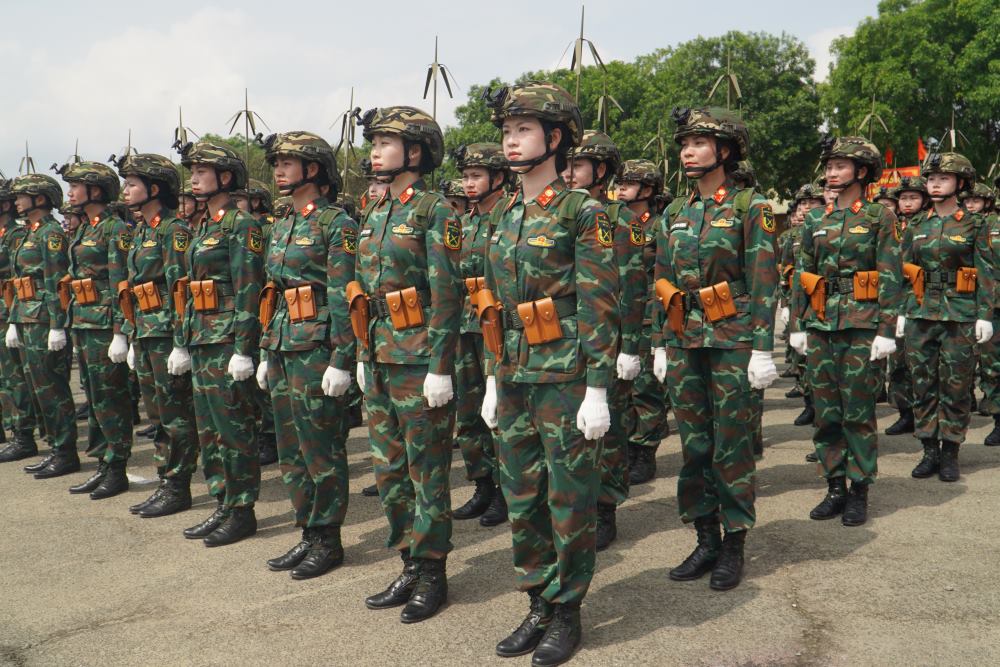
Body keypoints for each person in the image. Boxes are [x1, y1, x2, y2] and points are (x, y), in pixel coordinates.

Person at [479, 81, 618, 665]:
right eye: (508, 132)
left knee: (568, 496)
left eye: (524, 131)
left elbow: (600, 302)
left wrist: (597, 386)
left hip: (564, 373)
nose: (512, 142)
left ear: (555, 138)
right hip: (512, 371)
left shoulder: (582, 211)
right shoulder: (505, 212)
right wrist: (491, 377)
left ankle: (567, 610)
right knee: (522, 493)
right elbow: (492, 302)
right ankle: (537, 597)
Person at [653, 107, 778, 590]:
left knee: (732, 444)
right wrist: (663, 343)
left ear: (724, 151)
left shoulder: (751, 206)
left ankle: (734, 542)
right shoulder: (674, 213)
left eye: (700, 143)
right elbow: (661, 279)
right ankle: (704, 536)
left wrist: (763, 347)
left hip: (732, 339)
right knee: (694, 445)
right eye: (684, 143)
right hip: (685, 340)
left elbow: (764, 278)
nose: (688, 151)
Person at [353, 106, 461, 623]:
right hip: (378, 355)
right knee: (389, 470)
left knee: (426, 470)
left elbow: (446, 293)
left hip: (419, 359)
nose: (375, 150)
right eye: (373, 142)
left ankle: (433, 571)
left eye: (386, 142)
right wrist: (359, 353)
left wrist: (442, 364)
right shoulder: (375, 210)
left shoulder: (435, 211)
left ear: (414, 152)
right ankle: (408, 562)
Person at [254, 132, 357, 579]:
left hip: (316, 346)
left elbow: (344, 294)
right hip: (281, 342)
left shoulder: (337, 224)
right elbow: (273, 291)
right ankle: (307, 531)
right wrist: (264, 348)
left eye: (288, 163)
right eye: (276, 163)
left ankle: (328, 537)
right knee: (291, 447)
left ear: (312, 170)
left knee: (321, 447)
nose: (278, 170)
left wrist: (342, 357)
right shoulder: (282, 224)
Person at [790, 136, 901, 526]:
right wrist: (797, 324)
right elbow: (804, 273)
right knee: (826, 412)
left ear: (862, 171)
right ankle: (834, 486)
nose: (831, 173)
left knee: (857, 410)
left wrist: (888, 328)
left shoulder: (878, 217)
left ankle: (859, 489)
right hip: (821, 324)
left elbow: (890, 273)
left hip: (861, 325)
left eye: (839, 166)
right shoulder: (816, 219)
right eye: (829, 166)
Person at [175, 140, 264, 546]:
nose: (193, 179)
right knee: (209, 429)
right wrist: (184, 340)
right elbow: (192, 290)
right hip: (203, 339)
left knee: (234, 428)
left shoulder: (240, 226)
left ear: (224, 178)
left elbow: (249, 289)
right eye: (191, 172)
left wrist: (245, 349)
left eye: (201, 172)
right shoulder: (205, 226)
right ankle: (223, 502)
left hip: (227, 339)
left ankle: (242, 509)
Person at [565, 130, 644, 551]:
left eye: (577, 165)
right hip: (565, 340)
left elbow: (630, 289)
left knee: (609, 433)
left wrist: (629, 346)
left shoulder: (621, 220)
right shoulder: (561, 212)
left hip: (608, 339)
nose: (568, 172)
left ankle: (607, 507)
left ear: (600, 171)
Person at [898, 152, 994, 481]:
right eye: (932, 179)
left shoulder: (975, 223)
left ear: (960, 183)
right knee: (922, 382)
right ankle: (929, 450)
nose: (935, 184)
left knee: (956, 384)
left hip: (960, 313)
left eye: (943, 179)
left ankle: (951, 450)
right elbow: (905, 269)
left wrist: (985, 314)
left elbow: (985, 271)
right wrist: (900, 310)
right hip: (920, 312)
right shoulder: (916, 224)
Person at [116, 153, 200, 517]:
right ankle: (165, 478)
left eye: (132, 184)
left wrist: (181, 342)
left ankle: (179, 484)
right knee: (157, 416)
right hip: (147, 333)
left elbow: (181, 291)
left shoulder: (173, 231)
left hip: (167, 334)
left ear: (153, 189)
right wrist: (131, 335)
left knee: (176, 415)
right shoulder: (143, 231)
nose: (126, 190)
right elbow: (134, 289)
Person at [55, 161, 134, 499]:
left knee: (110, 397)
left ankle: (117, 466)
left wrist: (120, 330)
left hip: (104, 323)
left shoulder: (114, 229)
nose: (70, 192)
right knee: (94, 395)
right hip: (85, 320)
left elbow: (120, 282)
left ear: (96, 191)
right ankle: (103, 461)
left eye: (75, 186)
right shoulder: (87, 228)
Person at [450, 142, 509, 527]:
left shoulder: (509, 216)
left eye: (477, 176)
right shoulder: (465, 221)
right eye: (466, 177)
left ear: (498, 178)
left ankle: (507, 490)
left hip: (496, 322)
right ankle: (483, 483)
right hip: (464, 322)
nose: (469, 184)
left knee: (499, 413)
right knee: (469, 412)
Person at [5, 173, 79, 478]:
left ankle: (65, 451)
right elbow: (16, 280)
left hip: (44, 319)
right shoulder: (27, 233)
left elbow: (55, 281)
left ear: (40, 199)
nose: (17, 201)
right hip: (25, 315)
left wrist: (57, 325)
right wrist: (13, 320)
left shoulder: (51, 233)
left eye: (23, 195)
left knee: (53, 388)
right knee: (37, 388)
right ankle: (54, 447)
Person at [616, 159, 670, 484]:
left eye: (628, 183)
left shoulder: (659, 225)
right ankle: (626, 446)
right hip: (621, 313)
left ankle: (645, 451)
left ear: (647, 189)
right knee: (623, 385)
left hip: (650, 315)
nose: (620, 188)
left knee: (645, 388)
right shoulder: (617, 223)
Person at [235, 178, 279, 466]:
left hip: (266, 307)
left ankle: (270, 433)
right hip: (252, 308)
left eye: (240, 198)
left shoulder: (264, 228)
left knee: (264, 386)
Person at [779, 183, 826, 434]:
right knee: (803, 358)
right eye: (803, 203)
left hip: (829, 303)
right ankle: (809, 402)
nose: (807, 207)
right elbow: (788, 272)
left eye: (813, 202)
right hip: (801, 302)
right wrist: (786, 303)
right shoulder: (792, 237)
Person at [884, 176, 929, 436]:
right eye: (903, 198)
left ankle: (926, 418)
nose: (908, 202)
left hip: (922, 302)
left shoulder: (930, 225)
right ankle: (905, 413)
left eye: (913, 197)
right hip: (894, 304)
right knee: (898, 364)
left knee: (922, 367)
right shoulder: (889, 226)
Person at [0, 178, 39, 462]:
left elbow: (16, 278)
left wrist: (13, 315)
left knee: (15, 377)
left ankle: (23, 434)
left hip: (9, 309)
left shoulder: (15, 235)